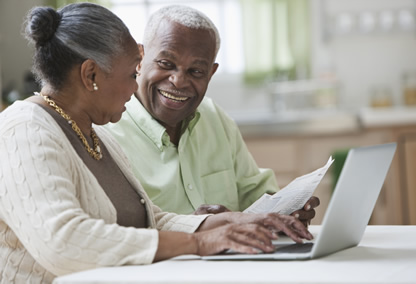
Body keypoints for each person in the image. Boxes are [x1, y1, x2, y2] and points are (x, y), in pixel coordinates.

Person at [0, 3, 312, 283]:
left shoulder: (96, 134)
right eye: (129, 74)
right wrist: (200, 243)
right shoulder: (23, 129)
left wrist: (230, 221)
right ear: (91, 74)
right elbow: (64, 241)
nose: (134, 86)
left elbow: (153, 219)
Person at [104, 5, 320, 222]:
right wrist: (194, 228)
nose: (178, 81)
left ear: (211, 73)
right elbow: (116, 231)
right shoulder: (106, 132)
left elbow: (255, 195)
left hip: (241, 254)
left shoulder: (214, 117)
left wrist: (286, 211)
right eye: (166, 64)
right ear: (140, 58)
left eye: (196, 71)